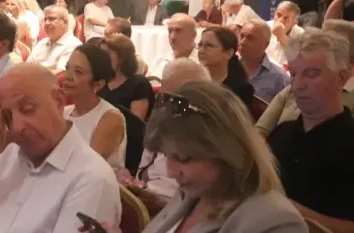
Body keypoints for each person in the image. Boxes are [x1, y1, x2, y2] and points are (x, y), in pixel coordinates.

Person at [0, 64, 121, 233]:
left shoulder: (91, 179)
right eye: (7, 117)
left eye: (27, 109)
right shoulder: (7, 155)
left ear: (59, 101)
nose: (17, 127)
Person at [141, 81, 306, 233]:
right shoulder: (194, 195)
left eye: (184, 159)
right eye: (167, 156)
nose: (170, 172)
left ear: (227, 152)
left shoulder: (276, 222)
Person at [267, 30, 354, 231]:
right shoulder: (281, 133)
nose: (297, 86)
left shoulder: (349, 144)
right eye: (293, 74)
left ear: (341, 78)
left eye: (311, 74)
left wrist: (287, 210)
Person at [123, 59, 211, 211]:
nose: (167, 107)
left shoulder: (207, 141)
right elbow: (144, 175)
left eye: (179, 103)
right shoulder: (161, 125)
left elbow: (194, 206)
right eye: (163, 98)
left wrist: (150, 200)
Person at [62, 44, 126, 170]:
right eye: (67, 68)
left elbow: (88, 167)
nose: (67, 76)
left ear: (98, 84)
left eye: (78, 72)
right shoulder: (64, 112)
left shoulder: (110, 117)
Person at [196, 26, 254, 106]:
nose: (201, 50)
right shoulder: (193, 77)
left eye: (209, 45)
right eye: (200, 45)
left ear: (228, 53)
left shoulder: (240, 89)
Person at [238, 20, 291, 102]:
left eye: (250, 38)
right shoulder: (228, 67)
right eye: (242, 36)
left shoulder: (280, 78)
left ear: (265, 45)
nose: (242, 42)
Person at [27, 5, 81, 75]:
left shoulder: (74, 45)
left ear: (65, 22)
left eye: (51, 19)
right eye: (45, 19)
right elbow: (27, 66)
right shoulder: (42, 43)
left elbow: (60, 73)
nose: (46, 23)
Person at [147, 14, 199, 79]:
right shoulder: (159, 61)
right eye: (170, 31)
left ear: (193, 34)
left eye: (178, 31)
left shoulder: (203, 63)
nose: (172, 36)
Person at [266, 1, 305, 66]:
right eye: (278, 15)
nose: (280, 20)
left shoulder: (301, 34)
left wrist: (282, 36)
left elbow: (299, 61)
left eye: (286, 18)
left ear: (294, 22)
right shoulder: (264, 27)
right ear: (274, 14)